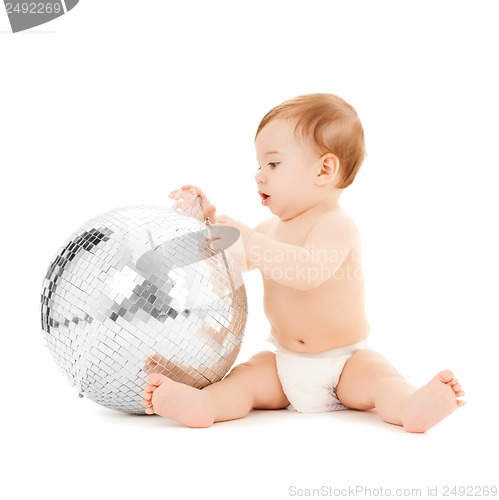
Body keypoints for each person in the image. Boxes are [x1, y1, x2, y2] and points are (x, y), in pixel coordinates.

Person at [142, 93, 465, 432]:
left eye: (274, 164)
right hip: (284, 365)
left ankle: (411, 406)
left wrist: (250, 240)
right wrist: (208, 222)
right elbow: (232, 262)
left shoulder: (335, 225)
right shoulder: (268, 230)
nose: (259, 176)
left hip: (343, 363)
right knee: (247, 378)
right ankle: (205, 405)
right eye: (259, 165)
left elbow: (307, 272)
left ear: (324, 170)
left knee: (378, 377)